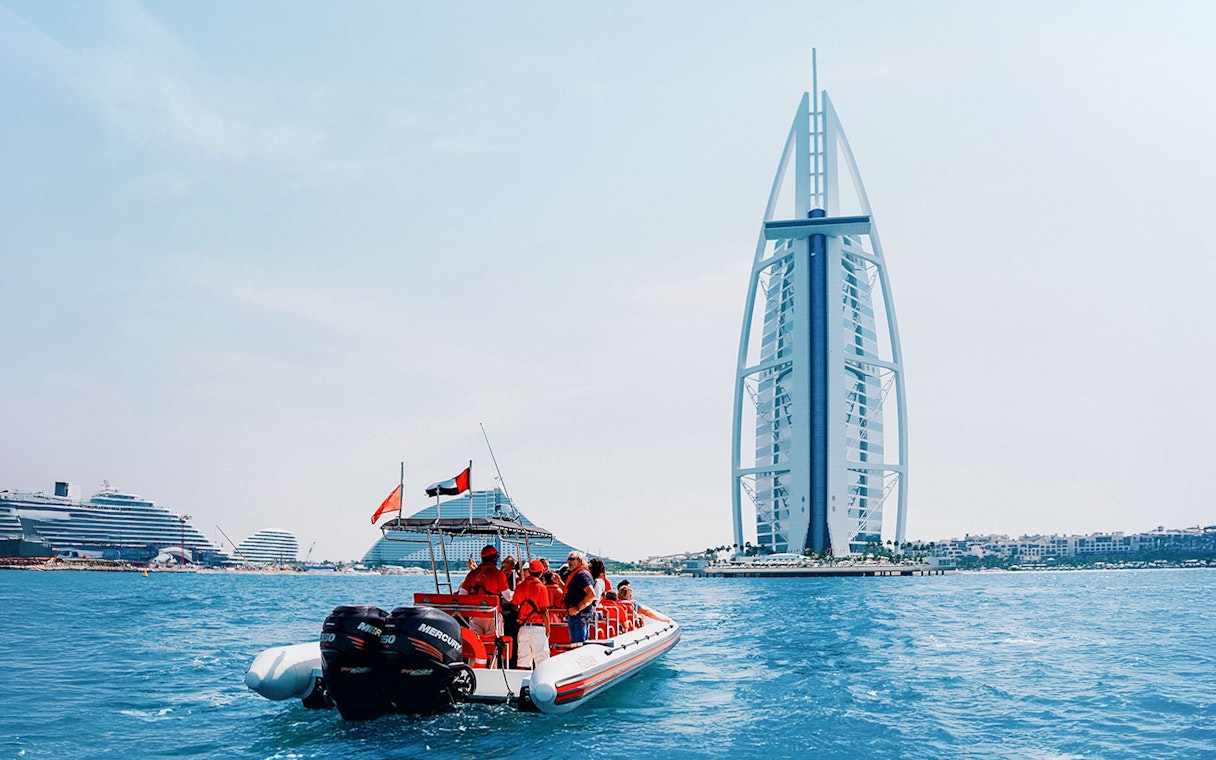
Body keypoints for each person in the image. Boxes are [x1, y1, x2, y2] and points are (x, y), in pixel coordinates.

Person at [458, 545, 513, 636]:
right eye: (496, 556)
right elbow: (508, 597)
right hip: (492, 614)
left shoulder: (472, 574)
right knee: (493, 644)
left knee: (477, 643)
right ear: (493, 558)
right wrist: (517, 591)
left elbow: (461, 595)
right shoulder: (498, 574)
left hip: (475, 615)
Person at [511, 559, 551, 668]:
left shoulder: (520, 586)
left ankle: (521, 682)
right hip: (538, 628)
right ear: (541, 572)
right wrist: (548, 628)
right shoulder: (542, 588)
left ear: (529, 570)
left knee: (523, 660)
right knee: (542, 661)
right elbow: (544, 611)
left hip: (523, 628)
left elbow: (515, 605)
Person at [562, 551, 596, 644]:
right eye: (568, 559)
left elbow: (591, 594)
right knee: (577, 643)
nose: (569, 561)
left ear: (580, 561)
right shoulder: (577, 574)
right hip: (577, 614)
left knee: (578, 644)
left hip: (579, 614)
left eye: (572, 559)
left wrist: (577, 608)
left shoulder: (582, 575)